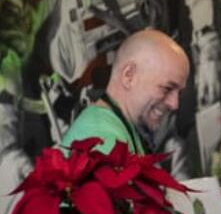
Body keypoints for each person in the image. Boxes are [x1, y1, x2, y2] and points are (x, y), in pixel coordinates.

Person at [58, 29, 190, 156]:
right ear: (129, 76)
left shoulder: (117, 125)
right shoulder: (104, 141)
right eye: (166, 89)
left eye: (179, 92)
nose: (175, 104)